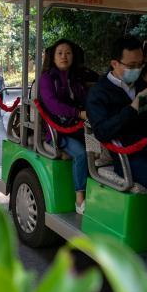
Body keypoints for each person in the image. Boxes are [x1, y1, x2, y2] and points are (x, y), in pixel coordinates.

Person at [86, 35, 147, 265]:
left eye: (140, 64)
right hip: (126, 157)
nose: (137, 69)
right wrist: (133, 108)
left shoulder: (142, 85)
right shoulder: (99, 93)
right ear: (114, 64)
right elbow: (102, 132)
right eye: (131, 66)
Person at [38, 39, 89, 214]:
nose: (64, 57)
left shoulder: (78, 77)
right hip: (57, 130)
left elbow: (85, 99)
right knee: (81, 153)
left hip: (80, 126)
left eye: (68, 53)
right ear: (53, 57)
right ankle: (79, 199)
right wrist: (78, 113)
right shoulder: (46, 79)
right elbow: (52, 105)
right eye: (60, 53)